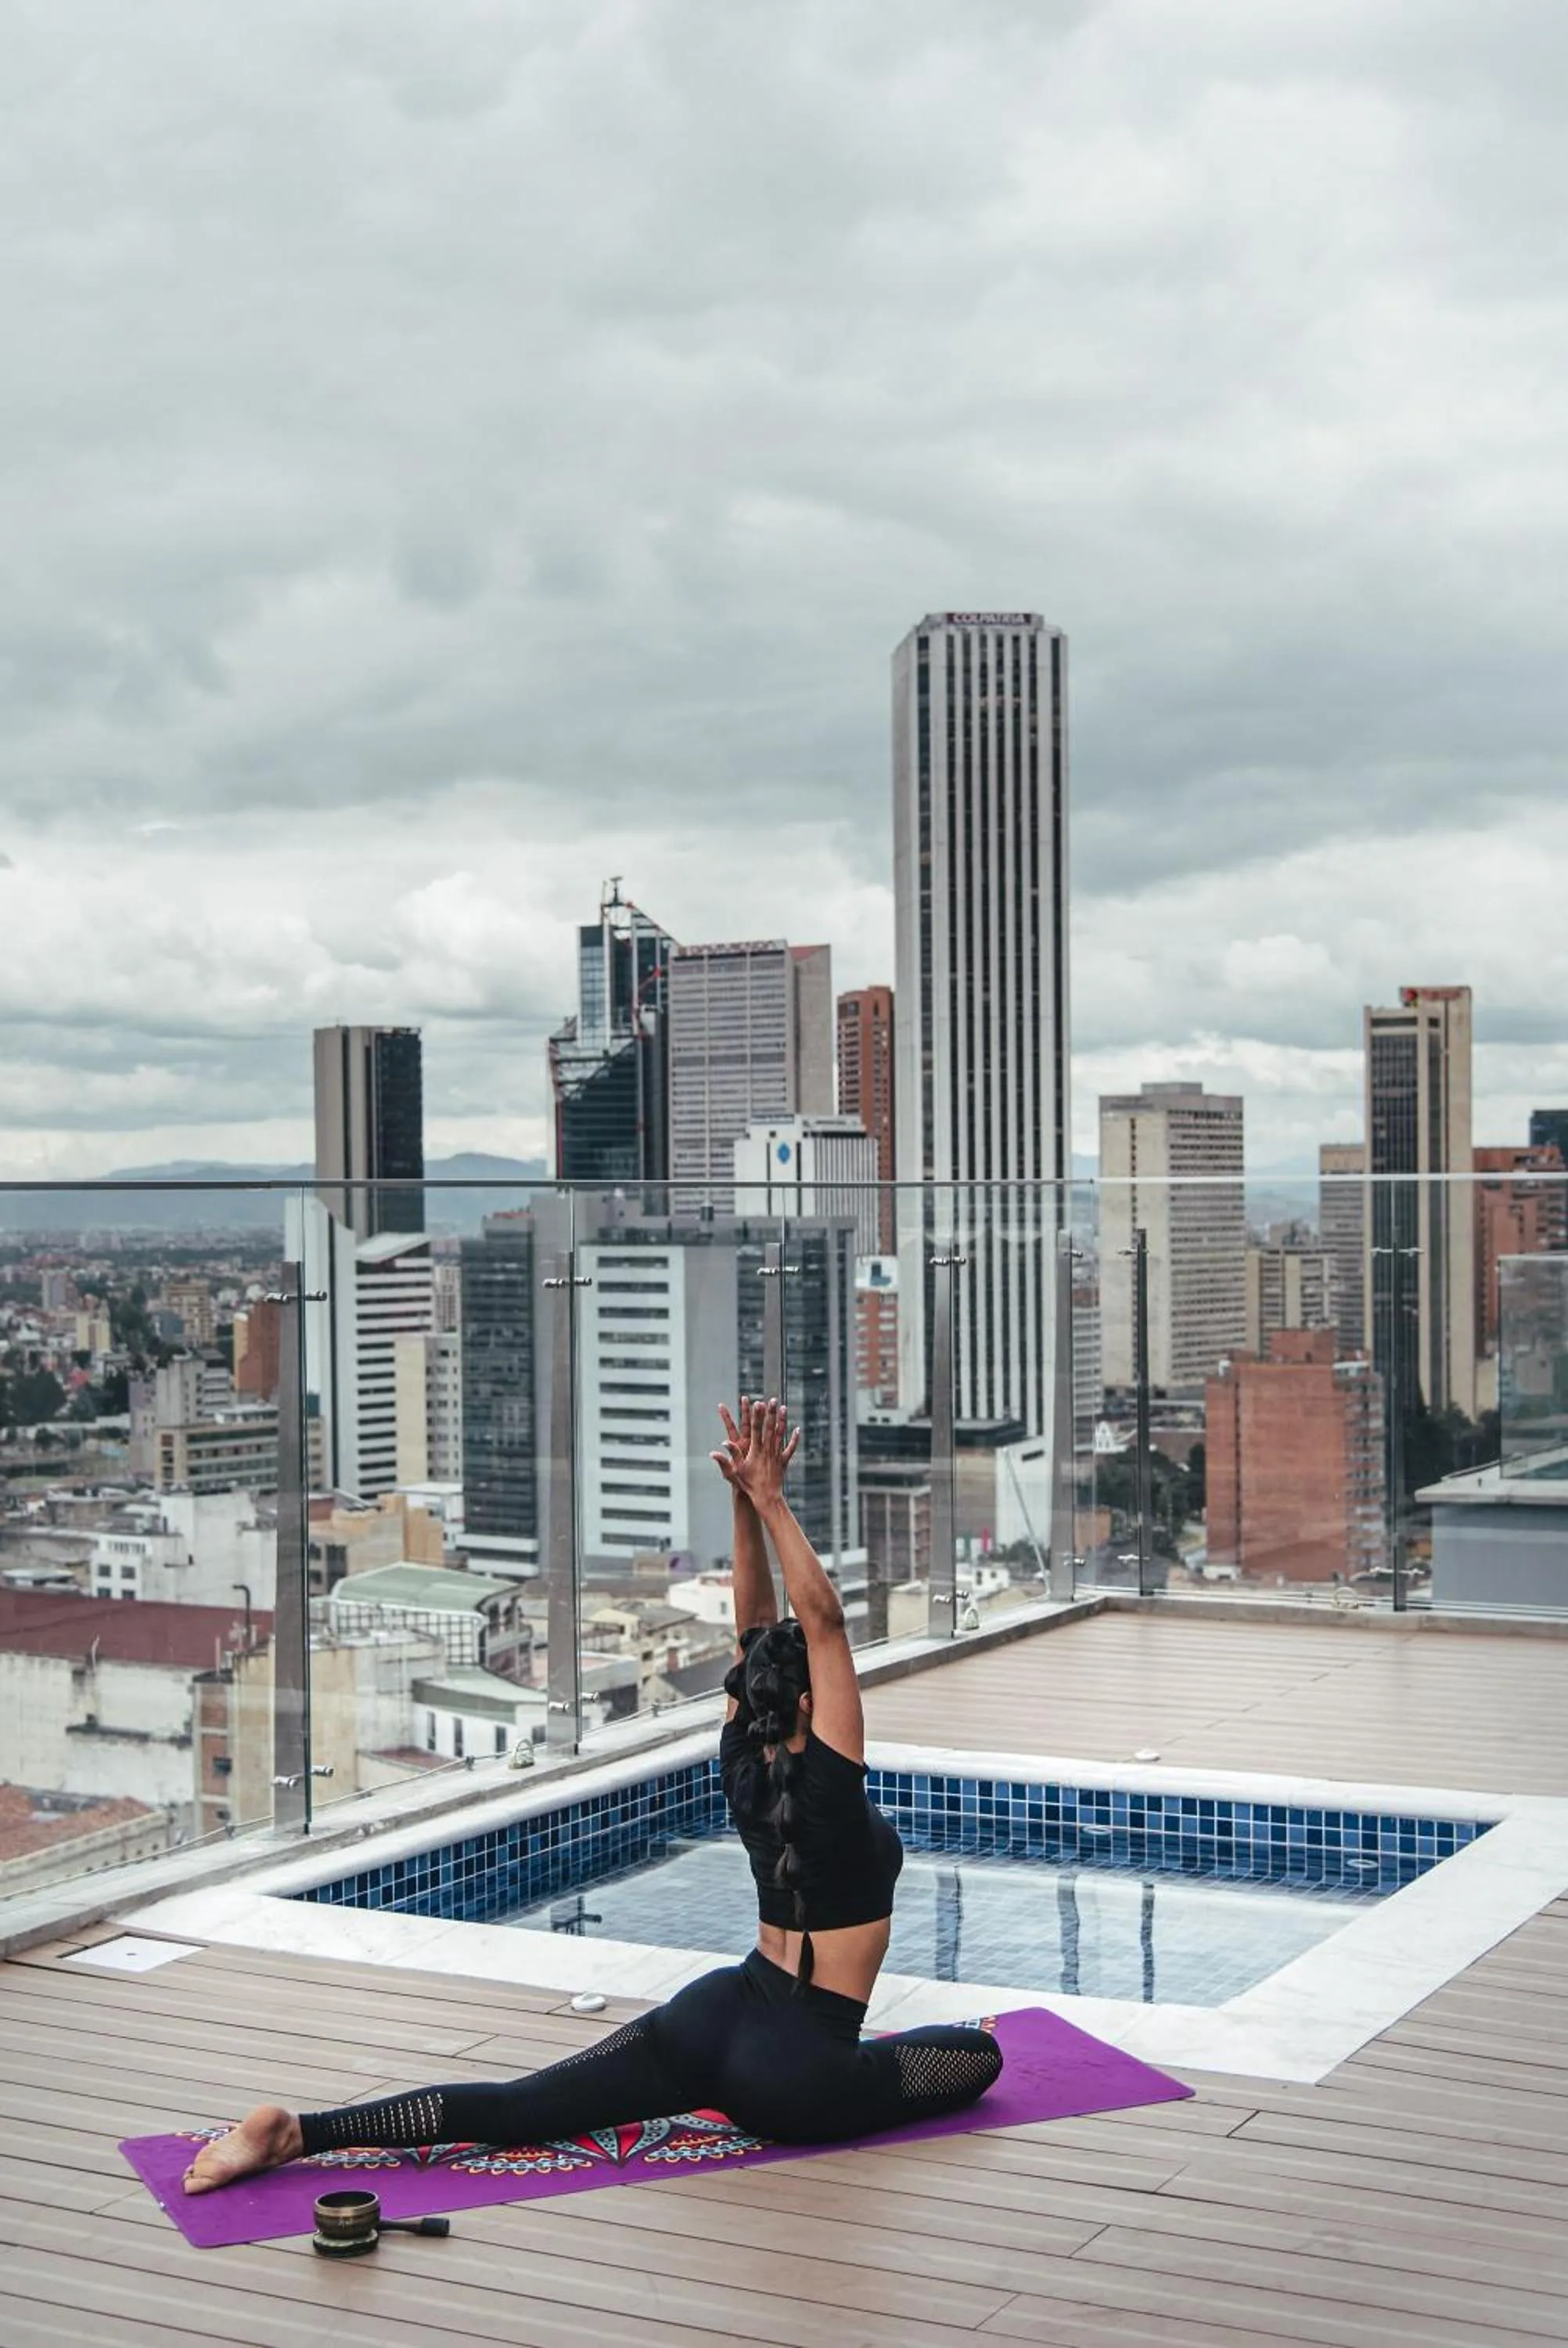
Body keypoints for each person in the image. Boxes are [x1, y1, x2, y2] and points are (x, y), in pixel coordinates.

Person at [183, 1396, 1002, 2194]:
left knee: (521, 2106)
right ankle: (299, 2132)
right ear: (816, 1705)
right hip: (799, 2076)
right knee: (976, 2055)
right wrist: (772, 1498)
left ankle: (304, 2131)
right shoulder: (828, 1772)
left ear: (755, 1697)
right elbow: (821, 1621)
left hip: (714, 2016)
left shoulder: (743, 1755)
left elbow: (757, 1627)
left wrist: (743, 1504)